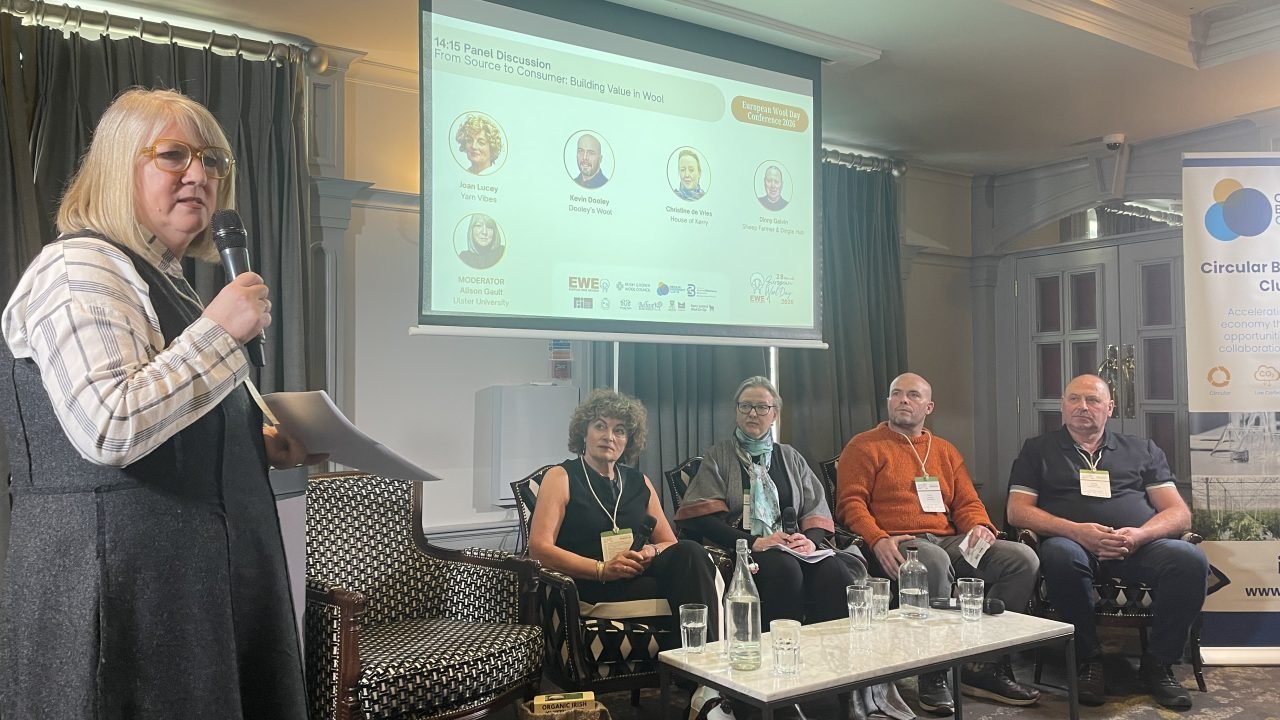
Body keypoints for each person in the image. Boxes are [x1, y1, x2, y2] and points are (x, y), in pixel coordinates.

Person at [0, 89, 319, 719]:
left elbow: (169, 425)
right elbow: (111, 427)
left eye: (213, 161)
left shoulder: (162, 279)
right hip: (118, 592)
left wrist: (253, 445)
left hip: (185, 589)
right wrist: (222, 332)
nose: (200, 175)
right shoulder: (80, 269)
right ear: (121, 165)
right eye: (173, 155)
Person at [836, 372, 1041, 716]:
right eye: (896, 394)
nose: (903, 400)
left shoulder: (944, 450)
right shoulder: (864, 445)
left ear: (928, 406)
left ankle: (985, 665)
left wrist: (980, 527)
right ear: (888, 402)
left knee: (1022, 559)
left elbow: (967, 503)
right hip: (901, 541)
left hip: (950, 540)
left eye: (913, 395)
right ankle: (934, 673)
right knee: (928, 559)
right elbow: (850, 504)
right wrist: (877, 539)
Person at [527, 389, 732, 720]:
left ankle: (705, 686)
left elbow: (670, 542)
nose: (609, 436)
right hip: (590, 585)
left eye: (620, 430)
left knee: (692, 553)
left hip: (638, 580)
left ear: (629, 440)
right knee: (704, 586)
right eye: (600, 426)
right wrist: (601, 568)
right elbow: (538, 549)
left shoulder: (639, 482)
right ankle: (709, 689)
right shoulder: (561, 476)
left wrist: (650, 551)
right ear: (583, 432)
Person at [1007, 374, 1207, 710]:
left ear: (1110, 407)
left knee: (1189, 560)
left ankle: (1159, 664)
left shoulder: (1141, 449)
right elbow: (1017, 512)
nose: (1082, 407)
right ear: (1062, 406)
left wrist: (1140, 534)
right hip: (1073, 545)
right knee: (1058, 554)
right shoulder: (1037, 450)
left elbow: (1178, 513)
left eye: (1093, 400)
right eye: (1074, 399)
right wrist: (1076, 531)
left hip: (1137, 546)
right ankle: (1089, 660)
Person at [677, 377, 863, 629]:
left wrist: (809, 541)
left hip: (793, 544)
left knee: (833, 571)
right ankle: (780, 653)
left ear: (774, 414)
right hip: (744, 546)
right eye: (746, 406)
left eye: (762, 407)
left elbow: (816, 508)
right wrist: (756, 542)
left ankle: (833, 658)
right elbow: (700, 518)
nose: (753, 413)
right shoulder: (718, 456)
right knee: (785, 570)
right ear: (736, 412)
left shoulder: (789, 456)